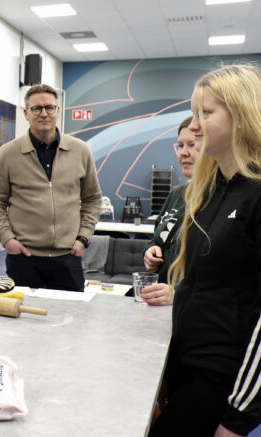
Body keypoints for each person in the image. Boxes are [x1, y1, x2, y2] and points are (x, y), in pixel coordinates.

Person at [149, 65, 261, 437]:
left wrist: (237, 417)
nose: (193, 127)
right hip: (187, 365)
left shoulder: (256, 194)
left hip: (223, 382)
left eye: (205, 113)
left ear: (242, 116)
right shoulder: (212, 191)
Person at [0, 84, 102, 292]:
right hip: (23, 258)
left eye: (49, 107)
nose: (43, 113)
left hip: (68, 257)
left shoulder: (80, 151)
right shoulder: (8, 153)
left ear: (58, 111)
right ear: (26, 113)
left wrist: (83, 238)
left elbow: (92, 199)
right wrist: (8, 239)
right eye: (36, 108)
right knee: (22, 320)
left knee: (72, 319)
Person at [140, 116, 197, 306]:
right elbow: (157, 240)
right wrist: (150, 253)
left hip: (195, 310)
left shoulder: (224, 199)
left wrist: (179, 294)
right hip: (161, 307)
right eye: (180, 146)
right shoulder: (176, 195)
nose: (184, 153)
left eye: (192, 145)